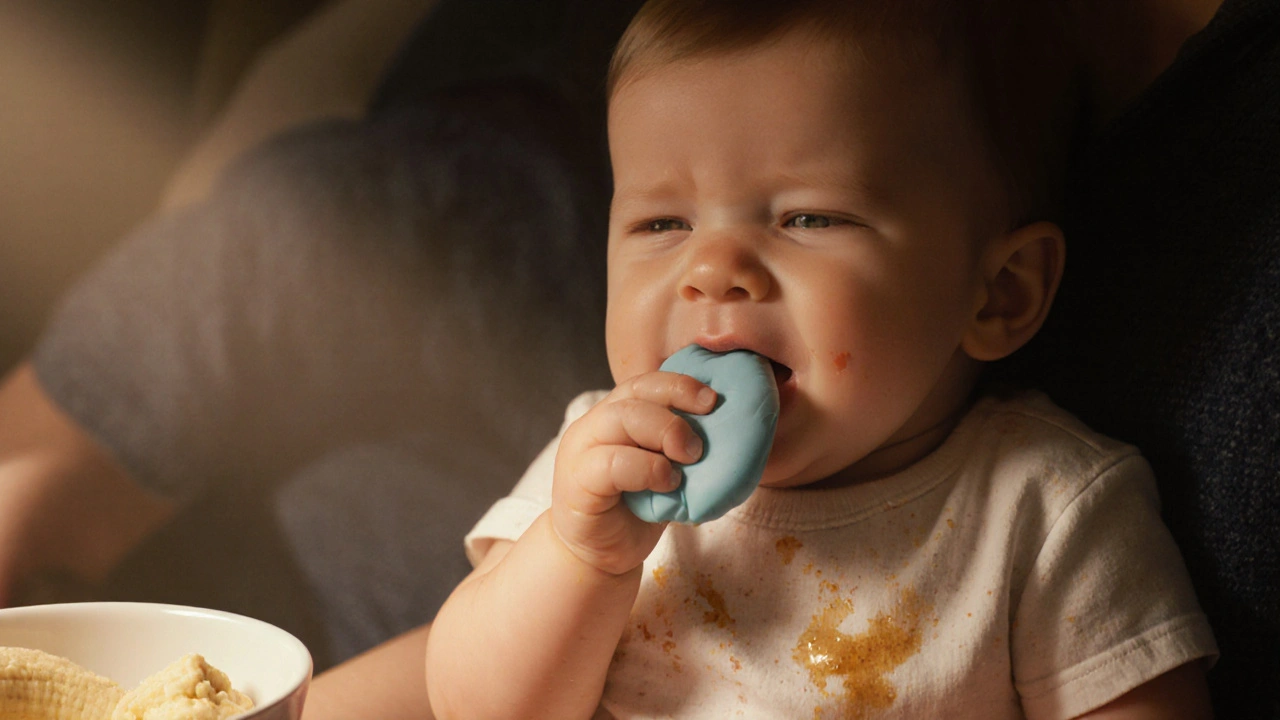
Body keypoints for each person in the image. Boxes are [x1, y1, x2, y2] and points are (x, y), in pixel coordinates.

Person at [421, 1, 1217, 718]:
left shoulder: (1045, 510)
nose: (712, 267)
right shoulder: (605, 466)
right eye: (663, 224)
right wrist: (579, 556)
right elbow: (473, 707)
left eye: (808, 217)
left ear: (998, 294)